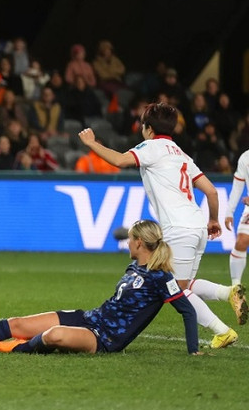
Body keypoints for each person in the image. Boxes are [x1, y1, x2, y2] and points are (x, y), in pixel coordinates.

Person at [78, 102, 246, 347]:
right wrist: (212, 220)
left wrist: (92, 143)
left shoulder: (151, 147)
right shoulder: (182, 154)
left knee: (176, 289)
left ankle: (222, 330)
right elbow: (211, 192)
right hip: (196, 226)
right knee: (184, 284)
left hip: (177, 228)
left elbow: (119, 161)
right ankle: (226, 292)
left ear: (147, 128)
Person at [0, 220, 200, 355]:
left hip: (105, 340)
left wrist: (193, 351)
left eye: (130, 239)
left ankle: (16, 349)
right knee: (19, 322)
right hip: (89, 319)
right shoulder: (134, 268)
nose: (127, 243)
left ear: (140, 243)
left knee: (52, 335)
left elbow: (187, 312)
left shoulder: (162, 278)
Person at [224, 150, 249, 303]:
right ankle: (236, 290)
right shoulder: (245, 157)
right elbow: (238, 186)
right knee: (241, 241)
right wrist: (229, 211)